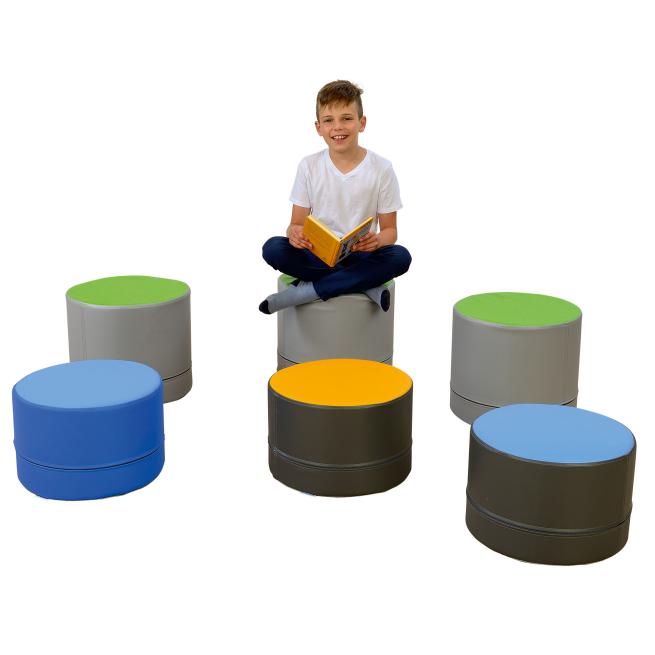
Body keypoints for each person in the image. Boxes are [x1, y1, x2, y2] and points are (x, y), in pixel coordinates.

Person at [259, 80, 411, 314]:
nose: (337, 127)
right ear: (318, 127)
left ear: (362, 123)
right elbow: (296, 224)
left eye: (346, 118)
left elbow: (390, 231)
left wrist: (377, 241)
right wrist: (295, 234)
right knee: (273, 248)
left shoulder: (382, 169)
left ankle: (307, 291)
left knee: (400, 256)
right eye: (329, 120)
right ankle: (367, 285)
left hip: (361, 255)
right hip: (318, 255)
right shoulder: (309, 166)